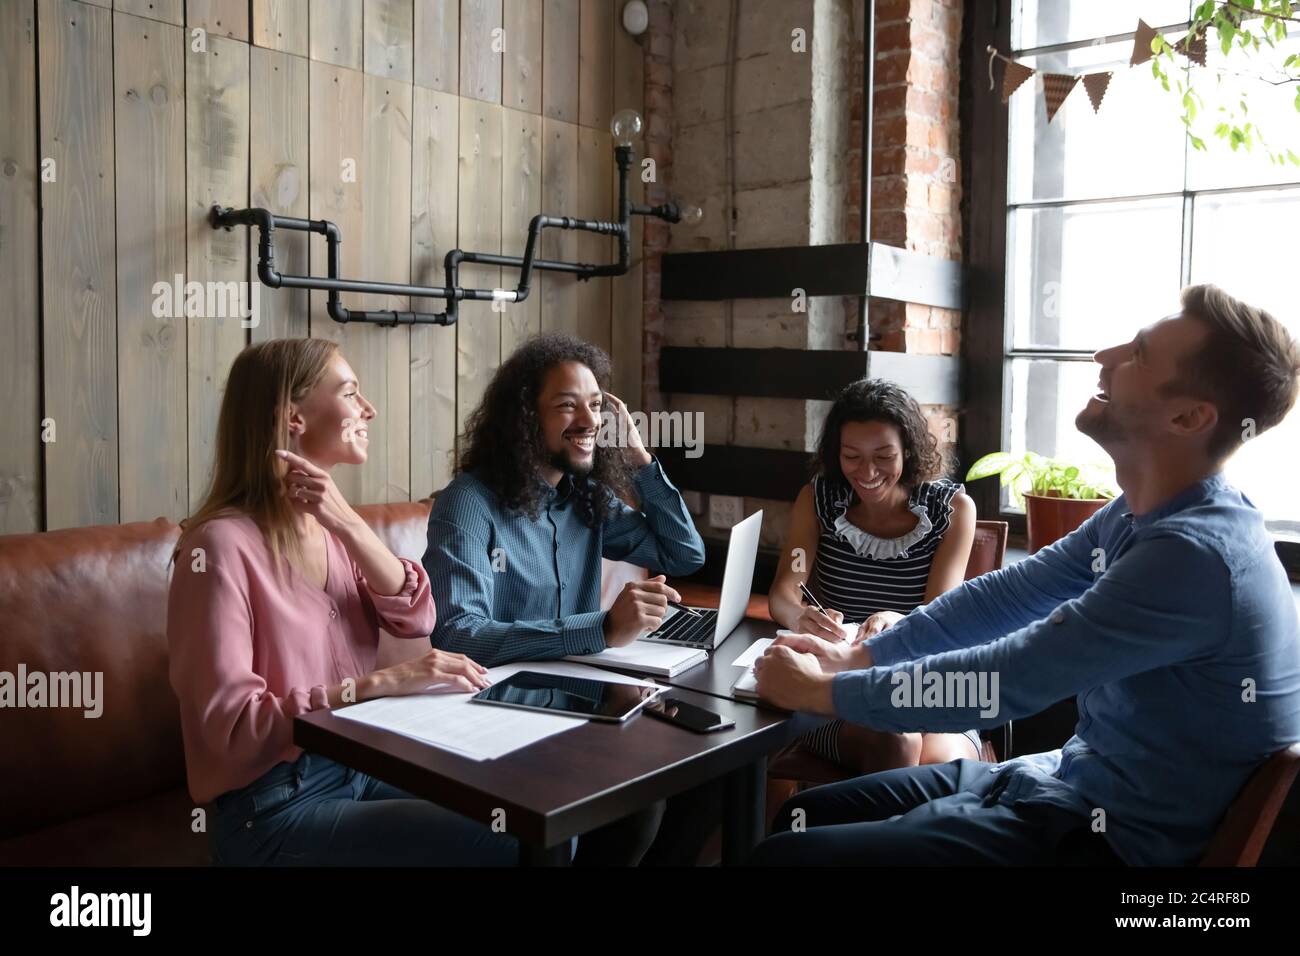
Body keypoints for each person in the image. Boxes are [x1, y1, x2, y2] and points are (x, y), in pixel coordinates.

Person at [751, 284, 1300, 866]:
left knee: (784, 857)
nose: (1104, 356)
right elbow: (1008, 594)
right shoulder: (1142, 510)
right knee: (804, 815)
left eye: (1137, 354)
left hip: (1113, 840)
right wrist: (857, 657)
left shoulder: (1194, 556)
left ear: (1190, 417)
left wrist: (824, 691)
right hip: (1062, 778)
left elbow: (1007, 679)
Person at [168, 339, 516, 866]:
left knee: (529, 816)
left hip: (359, 768)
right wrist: (377, 685)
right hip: (273, 808)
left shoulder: (333, 530)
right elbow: (231, 729)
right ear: (294, 417)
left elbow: (418, 617)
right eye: (351, 392)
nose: (368, 409)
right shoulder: (216, 549)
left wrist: (348, 523)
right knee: (504, 838)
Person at [424, 332, 707, 864]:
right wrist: (600, 628)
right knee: (640, 800)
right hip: (503, 711)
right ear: (525, 417)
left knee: (706, 769)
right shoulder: (469, 504)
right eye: (566, 405)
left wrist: (640, 460)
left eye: (597, 405)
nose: (589, 420)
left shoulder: (585, 498)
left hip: (585, 699)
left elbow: (684, 553)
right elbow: (458, 634)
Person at [767, 379, 977, 772]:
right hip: (833, 687)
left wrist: (899, 621)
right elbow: (784, 590)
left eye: (884, 456)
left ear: (909, 451)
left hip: (925, 680)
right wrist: (799, 615)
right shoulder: (817, 499)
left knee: (941, 770)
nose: (867, 472)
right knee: (894, 743)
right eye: (851, 456)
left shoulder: (953, 510)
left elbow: (940, 615)